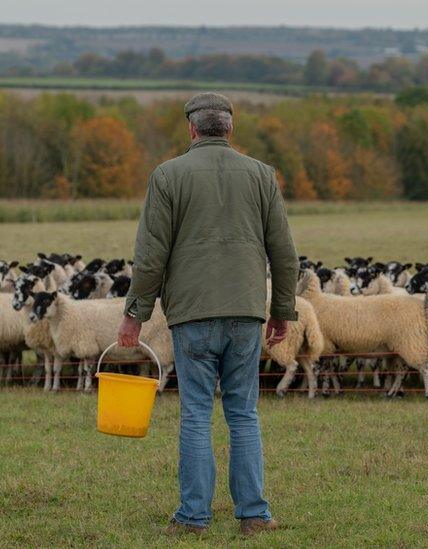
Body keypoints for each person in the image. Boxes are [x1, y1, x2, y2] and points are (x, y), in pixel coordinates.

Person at [117, 92, 299, 536]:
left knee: (196, 414)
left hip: (192, 314)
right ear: (230, 129)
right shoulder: (261, 175)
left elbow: (150, 255)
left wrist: (134, 314)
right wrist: (282, 310)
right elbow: (285, 253)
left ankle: (193, 518)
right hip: (245, 313)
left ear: (192, 129)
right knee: (244, 413)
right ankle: (254, 514)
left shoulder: (167, 176)